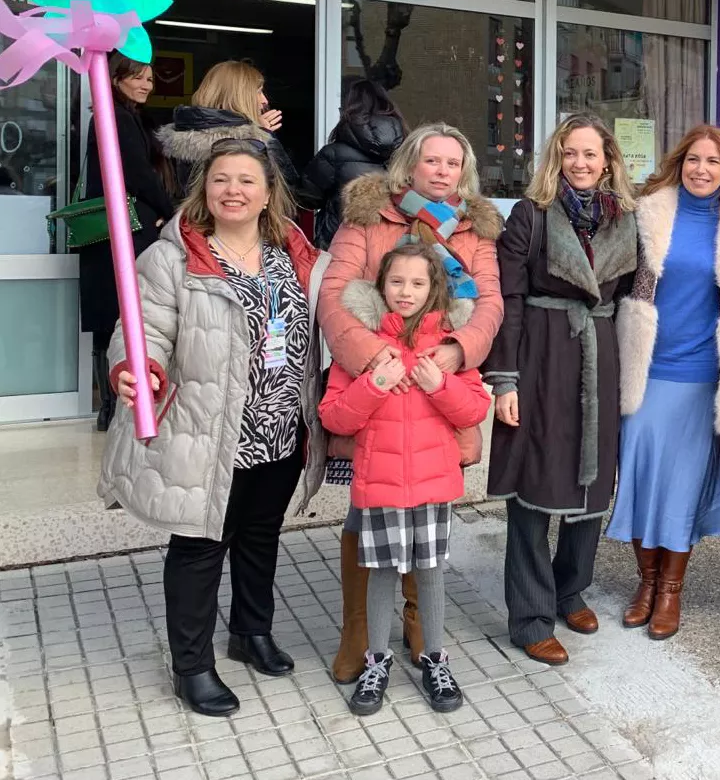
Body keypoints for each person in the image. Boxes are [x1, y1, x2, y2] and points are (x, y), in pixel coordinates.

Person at [100, 138, 325, 717]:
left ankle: (251, 632)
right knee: (200, 547)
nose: (234, 190)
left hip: (279, 430)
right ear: (205, 188)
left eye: (247, 180)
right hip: (208, 432)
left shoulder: (293, 248)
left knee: (259, 537)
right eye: (221, 179)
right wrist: (134, 366)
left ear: (269, 192)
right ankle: (192, 666)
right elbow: (141, 325)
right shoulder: (174, 256)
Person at [317, 123, 503, 683]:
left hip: (434, 389)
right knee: (366, 509)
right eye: (432, 161)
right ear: (410, 166)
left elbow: (489, 304)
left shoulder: (475, 229)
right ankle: (359, 628)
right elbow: (334, 294)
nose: (442, 171)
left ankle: (420, 622)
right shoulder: (369, 216)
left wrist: (456, 349)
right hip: (373, 386)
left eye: (453, 163)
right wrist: (374, 358)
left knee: (427, 516)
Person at [483, 115, 637, 666]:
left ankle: (571, 589)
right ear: (556, 157)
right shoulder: (530, 215)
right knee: (534, 482)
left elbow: (632, 303)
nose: (580, 163)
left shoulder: (625, 219)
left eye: (590, 155)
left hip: (600, 356)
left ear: (608, 161)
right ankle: (529, 615)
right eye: (570, 153)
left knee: (591, 482)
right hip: (542, 356)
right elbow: (510, 300)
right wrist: (506, 379)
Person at [319, 243, 490, 715]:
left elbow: (476, 408)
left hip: (434, 485)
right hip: (380, 485)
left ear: (434, 287)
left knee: (430, 573)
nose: (406, 292)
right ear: (380, 287)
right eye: (396, 282)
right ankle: (376, 662)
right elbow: (334, 416)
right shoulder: (364, 347)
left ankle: (435, 659)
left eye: (418, 283)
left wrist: (441, 384)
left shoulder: (448, 347)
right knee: (380, 576)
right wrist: (372, 385)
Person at [612, 125, 720, 641]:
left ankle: (670, 591)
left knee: (679, 484)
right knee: (638, 473)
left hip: (699, 374)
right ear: (680, 162)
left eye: (713, 163)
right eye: (694, 159)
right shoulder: (651, 210)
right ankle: (645, 582)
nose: (702, 169)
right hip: (645, 369)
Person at [80, 53, 178, 431]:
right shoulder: (115, 116)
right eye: (137, 77)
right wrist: (170, 211)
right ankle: (110, 406)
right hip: (115, 234)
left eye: (150, 80)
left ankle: (112, 405)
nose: (145, 85)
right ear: (117, 78)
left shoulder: (129, 117)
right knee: (117, 315)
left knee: (116, 315)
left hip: (119, 230)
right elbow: (137, 174)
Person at [156, 61, 315, 208]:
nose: (264, 100)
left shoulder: (177, 137)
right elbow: (289, 191)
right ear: (238, 96)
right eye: (258, 92)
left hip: (187, 230)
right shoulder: (247, 141)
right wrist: (263, 137)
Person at [305, 78, 407, 249]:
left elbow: (306, 198)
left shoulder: (333, 154)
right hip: (394, 248)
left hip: (340, 246)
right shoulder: (408, 153)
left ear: (348, 108)